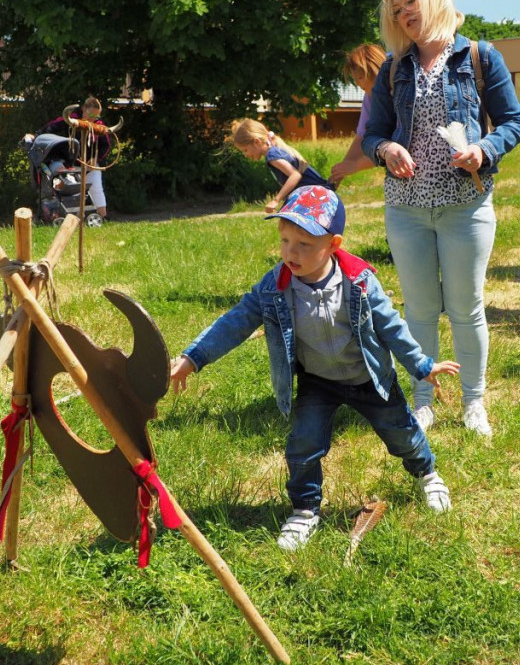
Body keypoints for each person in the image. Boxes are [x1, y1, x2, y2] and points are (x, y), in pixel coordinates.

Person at [169, 185, 461, 551]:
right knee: (303, 444)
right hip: (318, 381)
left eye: (304, 244)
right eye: (285, 239)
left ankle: (427, 474)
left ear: (334, 244)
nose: (291, 252)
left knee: (401, 433)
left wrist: (421, 364)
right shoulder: (275, 286)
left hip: (368, 378)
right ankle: (305, 510)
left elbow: (391, 326)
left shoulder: (359, 281)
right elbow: (237, 321)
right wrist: (193, 358)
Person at [362, 0, 520, 437]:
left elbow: (514, 122)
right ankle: (424, 400)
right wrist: (385, 149)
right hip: (407, 207)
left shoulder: (480, 56)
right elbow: (373, 132)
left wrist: (485, 149)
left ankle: (474, 401)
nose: (404, 14)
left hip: (464, 205)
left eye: (410, 2)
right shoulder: (394, 68)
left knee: (465, 308)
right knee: (417, 310)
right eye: (397, 10)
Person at [228, 118, 334, 213]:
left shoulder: (272, 155)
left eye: (245, 150)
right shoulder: (275, 150)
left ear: (256, 142)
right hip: (315, 194)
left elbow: (295, 175)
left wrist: (276, 200)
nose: (245, 155)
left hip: (316, 196)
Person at [34, 96, 111, 220]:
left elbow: (106, 146)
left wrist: (96, 160)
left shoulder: (99, 126)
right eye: (91, 114)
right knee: (74, 190)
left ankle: (103, 218)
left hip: (91, 164)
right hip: (71, 164)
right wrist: (36, 135)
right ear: (83, 109)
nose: (93, 118)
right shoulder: (72, 120)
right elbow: (51, 126)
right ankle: (76, 220)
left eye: (96, 116)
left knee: (96, 188)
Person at [330, 44, 387, 185]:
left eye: (360, 77)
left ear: (376, 70)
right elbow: (362, 136)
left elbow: (398, 143)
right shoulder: (369, 98)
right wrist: (341, 170)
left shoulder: (400, 93)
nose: (357, 83)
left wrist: (356, 165)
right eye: (354, 78)